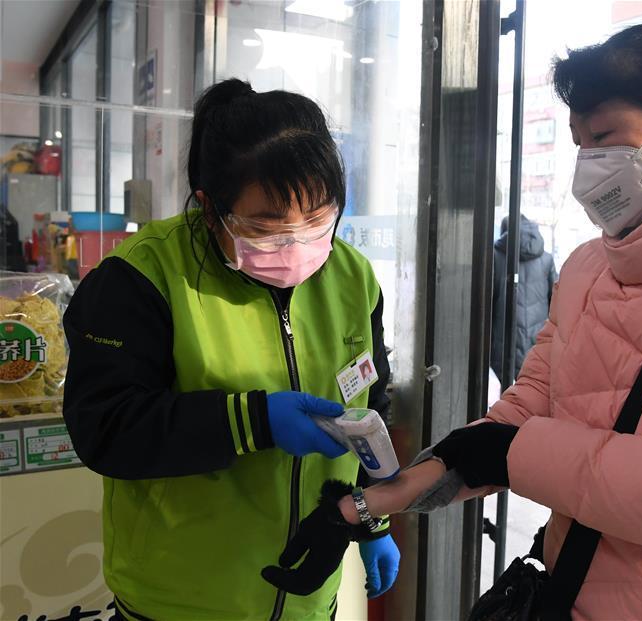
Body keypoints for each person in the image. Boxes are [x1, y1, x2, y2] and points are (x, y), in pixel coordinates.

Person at [274, 23, 642, 620]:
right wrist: (368, 505)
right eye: (581, 142)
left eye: (609, 137)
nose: (592, 163)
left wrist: (513, 454)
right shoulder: (591, 267)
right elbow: (531, 404)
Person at [62, 79, 399, 621]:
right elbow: (104, 428)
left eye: (317, 219)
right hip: (178, 599)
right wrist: (252, 420)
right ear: (209, 207)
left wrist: (372, 516)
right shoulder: (141, 278)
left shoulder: (353, 276)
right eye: (266, 228)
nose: (296, 244)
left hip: (309, 596)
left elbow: (370, 408)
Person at [491, 214, 557, 380]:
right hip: (538, 336)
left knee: (506, 389)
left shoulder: (496, 256)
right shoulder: (546, 259)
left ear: (506, 232)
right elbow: (555, 300)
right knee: (531, 386)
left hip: (503, 338)